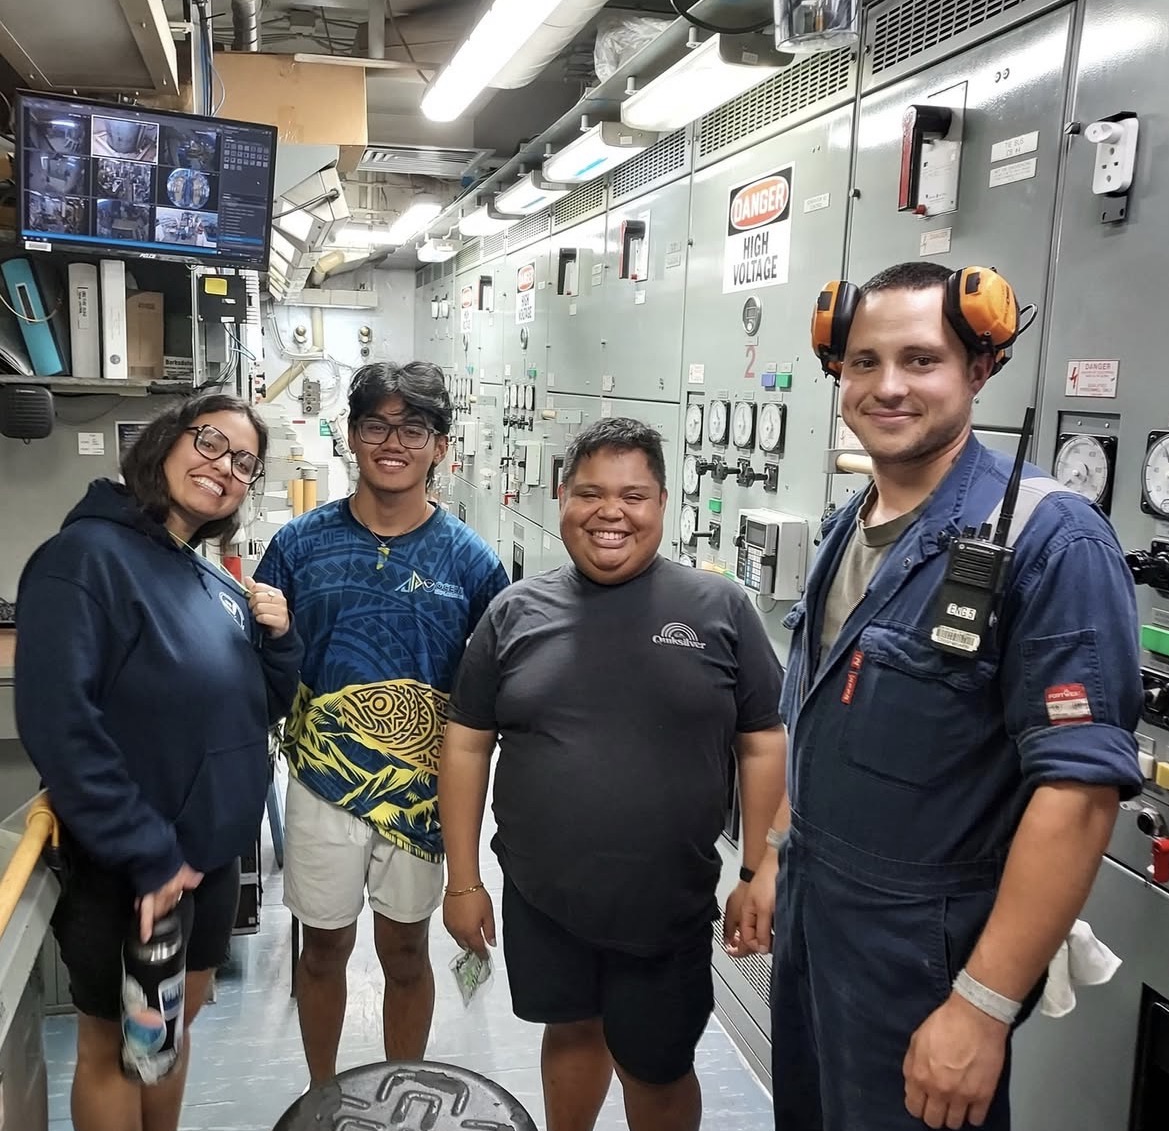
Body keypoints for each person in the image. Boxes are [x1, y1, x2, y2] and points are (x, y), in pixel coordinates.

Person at [736, 261, 1143, 1131]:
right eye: (862, 362)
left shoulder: (1051, 539)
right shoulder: (855, 519)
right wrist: (775, 854)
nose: (886, 386)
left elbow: (1076, 795)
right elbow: (818, 717)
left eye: (920, 360)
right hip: (817, 913)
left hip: (923, 948)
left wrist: (983, 1006)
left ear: (978, 369)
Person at [438, 417, 786, 1131]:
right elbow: (467, 744)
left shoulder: (719, 610)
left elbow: (761, 740)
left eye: (633, 494)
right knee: (568, 1028)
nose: (610, 512)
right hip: (543, 895)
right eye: (590, 492)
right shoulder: (513, 612)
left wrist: (758, 868)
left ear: (663, 503)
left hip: (664, 902)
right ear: (562, 496)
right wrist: (464, 880)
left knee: (656, 1064)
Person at [14, 392, 303, 1131]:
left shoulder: (198, 573)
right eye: (210, 442)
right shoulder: (83, 559)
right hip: (131, 867)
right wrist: (147, 851)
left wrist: (279, 640)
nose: (225, 467)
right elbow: (59, 721)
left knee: (168, 1035)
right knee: (113, 1045)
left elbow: (252, 707)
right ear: (165, 441)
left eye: (243, 461)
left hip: (201, 863)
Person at [255, 361, 508, 1085]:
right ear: (351, 438)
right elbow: (266, 664)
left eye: (413, 428)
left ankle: (399, 1090)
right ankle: (323, 1093)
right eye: (375, 425)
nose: (392, 442)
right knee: (323, 949)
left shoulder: (472, 562)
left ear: (441, 445)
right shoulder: (299, 546)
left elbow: (493, 690)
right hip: (319, 784)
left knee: (405, 951)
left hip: (420, 793)